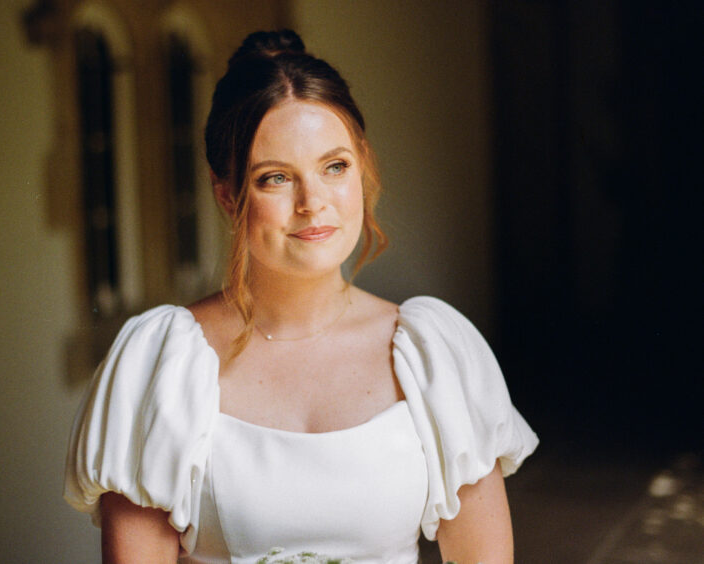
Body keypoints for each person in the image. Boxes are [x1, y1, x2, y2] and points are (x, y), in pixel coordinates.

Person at [64, 30, 538, 564]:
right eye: (275, 178)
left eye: (334, 167)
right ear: (227, 194)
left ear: (362, 167)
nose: (313, 203)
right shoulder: (159, 363)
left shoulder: (435, 352)